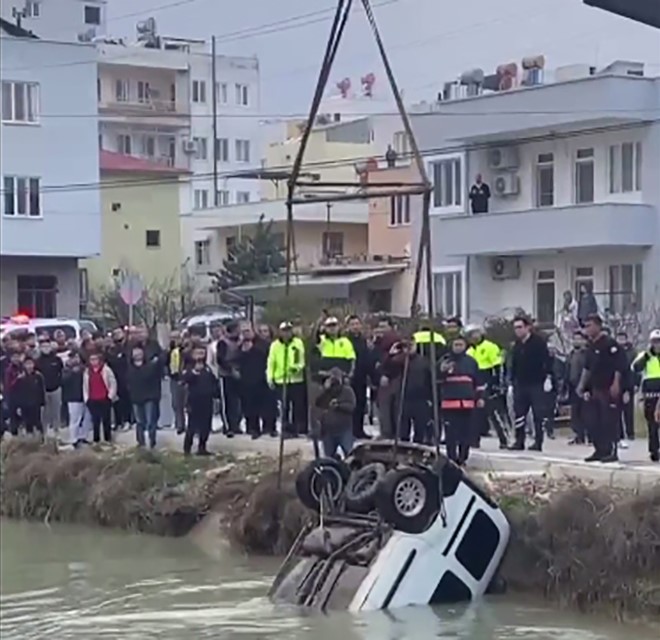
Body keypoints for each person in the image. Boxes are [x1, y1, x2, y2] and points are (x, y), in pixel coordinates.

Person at [577, 314, 627, 463]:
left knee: (609, 420)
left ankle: (611, 450)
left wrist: (616, 383)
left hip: (608, 387)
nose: (587, 329)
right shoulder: (591, 346)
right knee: (593, 420)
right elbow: (587, 368)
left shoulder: (610, 344)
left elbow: (620, 365)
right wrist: (581, 385)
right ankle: (599, 450)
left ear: (598, 326)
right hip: (595, 388)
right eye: (585, 326)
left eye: (590, 325)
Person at [508, 315, 553, 451]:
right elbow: (513, 364)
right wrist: (511, 381)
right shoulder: (516, 345)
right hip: (520, 384)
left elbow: (547, 361)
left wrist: (548, 378)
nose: (518, 331)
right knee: (519, 413)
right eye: (515, 328)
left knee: (538, 414)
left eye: (520, 327)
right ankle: (519, 440)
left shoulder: (538, 343)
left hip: (536, 383)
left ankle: (538, 441)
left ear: (528, 327)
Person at [439, 335, 483, 465]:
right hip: (449, 404)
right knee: (450, 434)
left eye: (461, 345)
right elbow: (435, 378)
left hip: (467, 404)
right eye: (456, 345)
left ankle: (463, 457)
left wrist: (479, 397)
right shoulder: (444, 361)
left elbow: (478, 381)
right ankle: (451, 458)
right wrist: (442, 371)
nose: (458, 348)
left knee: (466, 433)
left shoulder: (471, 362)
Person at [465, 325, 509, 449]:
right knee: (475, 413)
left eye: (474, 334)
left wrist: (496, 384)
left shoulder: (490, 347)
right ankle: (474, 440)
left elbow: (498, 366)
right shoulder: (469, 351)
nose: (473, 337)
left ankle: (504, 439)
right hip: (475, 381)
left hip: (488, 379)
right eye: (470, 335)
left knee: (494, 412)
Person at [267, 322, 307, 438]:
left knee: (296, 406)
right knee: (283, 406)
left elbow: (300, 359)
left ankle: (294, 429)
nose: (286, 333)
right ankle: (285, 429)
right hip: (280, 380)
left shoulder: (297, 343)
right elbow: (271, 362)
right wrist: (270, 377)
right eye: (284, 330)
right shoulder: (275, 345)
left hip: (295, 379)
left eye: (288, 330)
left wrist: (296, 368)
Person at [394, 339, 432, 444]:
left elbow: (430, 379)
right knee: (403, 426)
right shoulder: (399, 360)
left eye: (411, 345)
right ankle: (404, 444)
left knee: (420, 426)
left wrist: (430, 397)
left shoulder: (424, 361)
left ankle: (418, 444)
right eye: (406, 346)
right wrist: (393, 354)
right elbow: (388, 369)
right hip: (403, 396)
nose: (409, 348)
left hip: (420, 397)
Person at [237, 326, 273, 439]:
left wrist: (253, 349)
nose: (246, 334)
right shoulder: (240, 345)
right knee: (250, 406)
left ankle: (269, 427)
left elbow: (267, 356)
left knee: (267, 405)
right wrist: (243, 350)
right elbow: (235, 359)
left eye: (247, 331)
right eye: (243, 332)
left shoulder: (262, 343)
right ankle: (253, 428)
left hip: (262, 378)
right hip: (247, 380)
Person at [182, 350, 219, 456]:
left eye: (202, 353)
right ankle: (187, 448)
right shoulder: (189, 368)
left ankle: (202, 447)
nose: (200, 355)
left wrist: (214, 392)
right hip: (194, 402)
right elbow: (185, 379)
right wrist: (194, 372)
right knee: (192, 426)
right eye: (197, 353)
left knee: (205, 426)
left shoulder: (208, 369)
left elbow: (214, 382)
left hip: (207, 401)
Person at [632, 329, 660, 463]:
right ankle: (654, 450)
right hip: (650, 392)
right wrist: (645, 358)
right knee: (652, 424)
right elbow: (634, 368)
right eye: (655, 342)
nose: (657, 345)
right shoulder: (645, 355)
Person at [314, 367, 356, 458]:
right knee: (328, 457)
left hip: (344, 430)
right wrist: (325, 390)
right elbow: (318, 403)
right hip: (328, 431)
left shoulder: (347, 391)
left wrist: (338, 406)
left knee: (350, 456)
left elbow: (351, 407)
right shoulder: (326, 393)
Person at [127, 346, 162, 449]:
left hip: (149, 397)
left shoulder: (150, 366)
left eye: (139, 352)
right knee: (139, 422)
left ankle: (152, 442)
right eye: (135, 353)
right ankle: (141, 443)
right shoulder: (130, 369)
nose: (137, 354)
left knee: (151, 421)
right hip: (136, 398)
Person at [345, 315, 373, 440]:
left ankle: (359, 430)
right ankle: (349, 431)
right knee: (350, 404)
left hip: (362, 376)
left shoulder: (363, 341)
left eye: (357, 324)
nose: (355, 327)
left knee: (361, 404)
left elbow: (367, 358)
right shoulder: (345, 341)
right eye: (352, 324)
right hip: (350, 377)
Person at [216, 321, 243, 437]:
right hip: (226, 375)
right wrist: (231, 370)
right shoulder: (223, 343)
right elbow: (220, 360)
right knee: (227, 401)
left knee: (236, 401)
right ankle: (228, 426)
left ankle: (236, 424)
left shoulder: (239, 342)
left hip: (238, 375)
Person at [83, 352, 117, 444]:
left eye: (95, 359)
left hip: (104, 398)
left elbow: (113, 383)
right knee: (95, 421)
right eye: (91, 360)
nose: (94, 361)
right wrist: (86, 399)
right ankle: (96, 440)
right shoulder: (87, 371)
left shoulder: (106, 370)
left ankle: (107, 439)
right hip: (93, 399)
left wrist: (110, 396)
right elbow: (85, 386)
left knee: (106, 420)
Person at [35, 337, 63, 435]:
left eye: (47, 346)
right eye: (43, 346)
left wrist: (59, 383)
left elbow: (61, 372)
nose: (46, 348)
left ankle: (57, 432)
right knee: (44, 414)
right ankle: (44, 433)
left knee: (56, 412)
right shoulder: (37, 361)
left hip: (56, 389)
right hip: (43, 391)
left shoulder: (57, 359)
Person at [12, 356, 46, 437]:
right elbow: (17, 393)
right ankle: (30, 439)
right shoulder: (20, 378)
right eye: (27, 364)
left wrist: (43, 403)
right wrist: (18, 406)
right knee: (28, 423)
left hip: (36, 403)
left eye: (31, 363)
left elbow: (42, 390)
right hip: (25, 404)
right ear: (24, 365)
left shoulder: (38, 376)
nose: (29, 366)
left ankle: (41, 438)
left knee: (38, 422)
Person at [564, 330, 588, 445]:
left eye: (579, 339)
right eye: (574, 339)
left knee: (586, 412)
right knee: (575, 412)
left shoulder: (587, 354)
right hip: (572, 387)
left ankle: (588, 435)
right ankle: (578, 435)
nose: (576, 341)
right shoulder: (571, 354)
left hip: (584, 387)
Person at [106, 328, 131, 431]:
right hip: (114, 378)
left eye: (119, 333)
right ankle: (117, 422)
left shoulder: (127, 347)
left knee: (125, 400)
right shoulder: (110, 350)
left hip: (125, 377)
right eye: (115, 334)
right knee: (116, 401)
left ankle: (127, 420)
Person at [61, 351, 89, 447]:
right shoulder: (66, 369)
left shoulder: (84, 368)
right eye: (73, 357)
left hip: (85, 396)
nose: (75, 359)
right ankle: (73, 439)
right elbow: (63, 380)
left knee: (86, 418)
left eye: (77, 357)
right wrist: (72, 372)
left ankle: (83, 436)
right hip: (73, 397)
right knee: (75, 419)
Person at [615, 330, 637, 448]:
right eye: (619, 338)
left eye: (623, 338)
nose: (621, 341)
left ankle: (630, 432)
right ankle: (620, 434)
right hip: (616, 385)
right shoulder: (614, 353)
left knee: (628, 411)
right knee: (617, 412)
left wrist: (630, 387)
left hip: (627, 385)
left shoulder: (632, 353)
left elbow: (632, 372)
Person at [167, 332, 186, 435]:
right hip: (174, 378)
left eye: (176, 338)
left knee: (187, 402)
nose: (174, 340)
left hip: (185, 378)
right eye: (172, 338)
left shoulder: (184, 350)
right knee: (177, 404)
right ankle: (180, 425)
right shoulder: (169, 351)